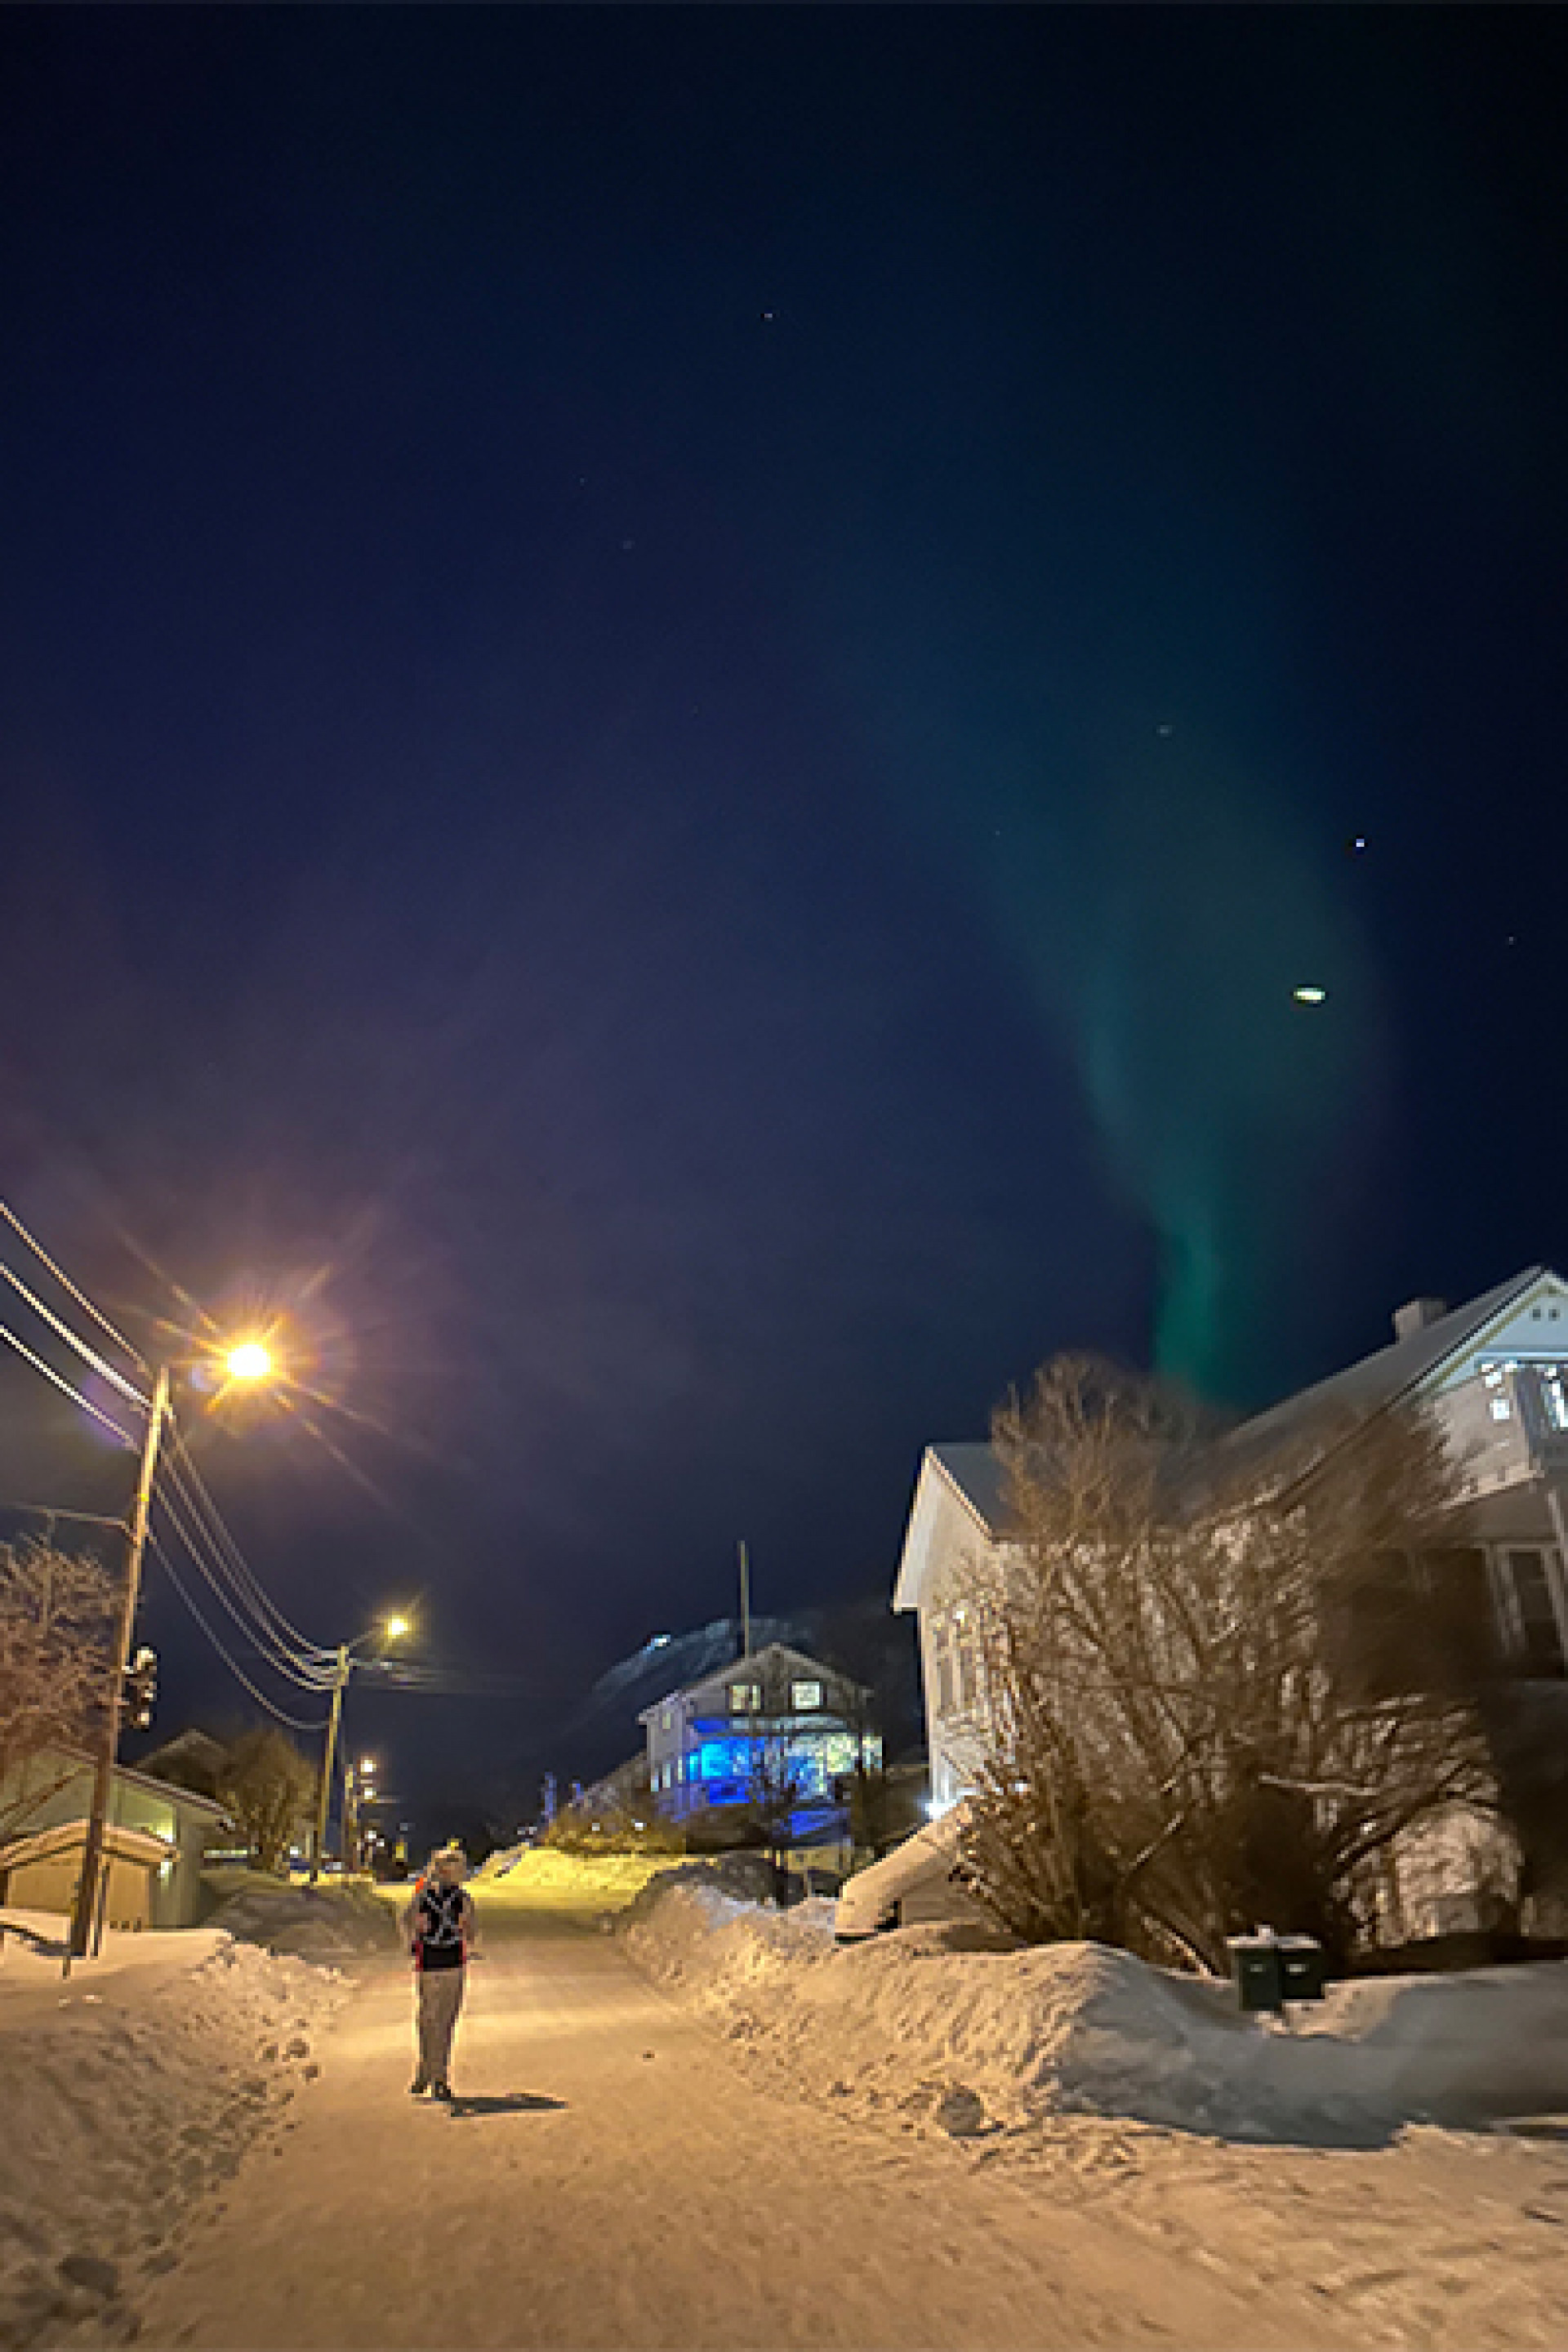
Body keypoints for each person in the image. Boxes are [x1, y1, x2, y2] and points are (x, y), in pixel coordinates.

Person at [400, 1846, 479, 2099]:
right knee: (446, 2020)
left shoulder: (422, 1896)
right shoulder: (463, 1899)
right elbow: (472, 1932)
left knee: (426, 2017)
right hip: (453, 1962)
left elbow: (406, 1921)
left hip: (428, 1963)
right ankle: (440, 2076)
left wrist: (412, 1945)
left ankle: (424, 2068)